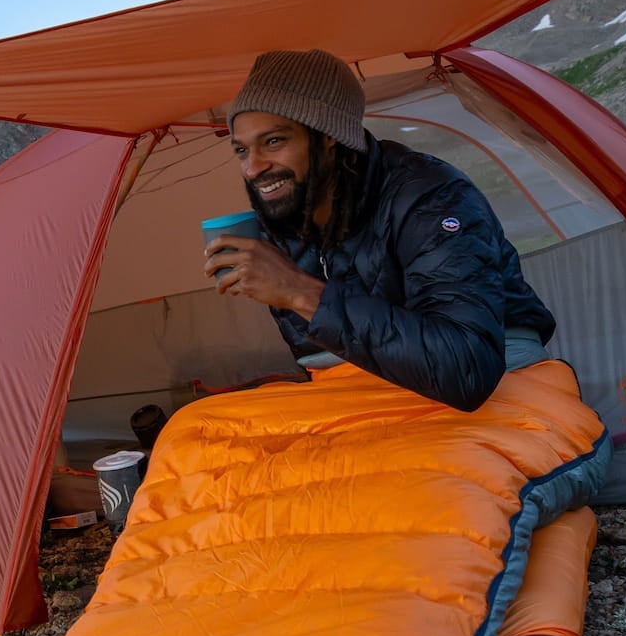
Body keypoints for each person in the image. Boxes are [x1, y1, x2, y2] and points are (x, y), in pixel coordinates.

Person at [202, 48, 556, 412]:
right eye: (241, 150)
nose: (253, 168)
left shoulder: (430, 198)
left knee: (439, 470)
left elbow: (466, 371)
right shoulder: (280, 219)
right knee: (194, 437)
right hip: (358, 391)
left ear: (329, 136)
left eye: (274, 141)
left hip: (499, 378)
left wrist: (299, 292)